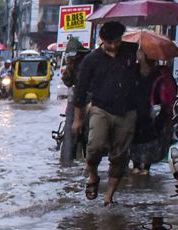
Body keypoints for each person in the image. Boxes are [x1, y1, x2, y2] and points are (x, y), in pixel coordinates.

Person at [73, 21, 141, 205]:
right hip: (101, 108)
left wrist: (142, 61)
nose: (113, 46)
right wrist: (77, 120)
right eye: (109, 42)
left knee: (120, 156)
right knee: (94, 147)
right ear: (102, 40)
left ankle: (108, 197)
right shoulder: (92, 60)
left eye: (117, 41)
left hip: (127, 110)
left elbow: (142, 76)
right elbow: (80, 90)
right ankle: (93, 176)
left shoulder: (132, 52)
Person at [130, 49, 177, 174]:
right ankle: (140, 168)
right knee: (139, 140)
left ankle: (142, 168)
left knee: (147, 140)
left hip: (152, 115)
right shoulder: (134, 70)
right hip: (141, 113)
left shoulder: (158, 73)